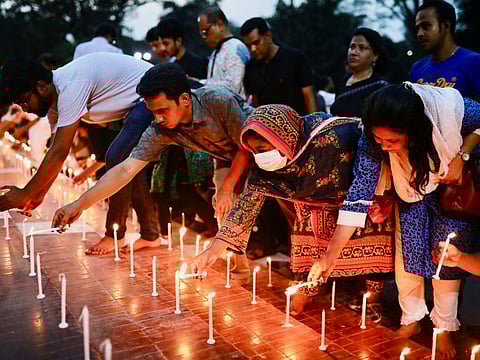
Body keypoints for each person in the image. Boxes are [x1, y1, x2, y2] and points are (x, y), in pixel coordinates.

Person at [308, 83, 480, 359]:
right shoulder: (372, 137)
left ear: (414, 133)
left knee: (447, 257)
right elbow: (359, 193)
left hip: (453, 188)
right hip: (410, 187)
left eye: (392, 142)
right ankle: (411, 318)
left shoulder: (451, 108)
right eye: (379, 140)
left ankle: (444, 326)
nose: (384, 147)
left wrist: (464, 153)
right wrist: (330, 255)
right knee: (409, 252)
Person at [51, 63, 253, 280]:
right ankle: (240, 266)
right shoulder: (161, 130)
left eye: (162, 110)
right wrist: (79, 204)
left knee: (243, 198)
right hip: (225, 157)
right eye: (153, 112)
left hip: (261, 148)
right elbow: (125, 170)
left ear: (184, 99)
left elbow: (246, 144)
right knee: (223, 206)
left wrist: (229, 185)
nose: (158, 118)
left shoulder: (217, 100)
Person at [191, 104, 395, 314]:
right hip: (313, 203)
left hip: (360, 196)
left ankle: (372, 297)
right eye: (253, 151)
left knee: (373, 244)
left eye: (262, 150)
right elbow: (244, 209)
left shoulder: (331, 140)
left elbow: (364, 178)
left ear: (283, 139)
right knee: (309, 245)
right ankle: (308, 289)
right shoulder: (267, 170)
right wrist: (212, 252)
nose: (258, 157)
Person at [0, 54, 160, 253]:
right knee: (127, 163)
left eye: (24, 101)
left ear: (41, 86)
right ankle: (151, 234)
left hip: (152, 93)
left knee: (116, 158)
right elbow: (56, 153)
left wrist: (25, 193)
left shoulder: (70, 86)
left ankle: (114, 235)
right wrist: (37, 195)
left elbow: (59, 152)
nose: (25, 108)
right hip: (135, 106)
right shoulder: (55, 104)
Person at [240, 17, 317, 115]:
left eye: (256, 42)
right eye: (248, 45)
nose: (253, 49)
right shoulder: (250, 68)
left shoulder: (295, 58)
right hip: (268, 127)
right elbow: (256, 104)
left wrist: (314, 124)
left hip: (300, 124)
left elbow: (309, 96)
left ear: (268, 36)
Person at [411, 0, 480, 99]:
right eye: (417, 29)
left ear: (446, 26)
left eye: (426, 26)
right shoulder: (417, 68)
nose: (419, 34)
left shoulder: (474, 62)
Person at [330, 27, 388, 117]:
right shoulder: (342, 82)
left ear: (375, 56)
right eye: (352, 47)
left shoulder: (380, 87)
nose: (353, 52)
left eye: (361, 48)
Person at [197, 6, 250, 97]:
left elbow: (233, 86)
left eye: (205, 31)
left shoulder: (235, 48)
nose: (204, 37)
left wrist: (201, 85)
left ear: (220, 25)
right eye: (201, 33)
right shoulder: (215, 52)